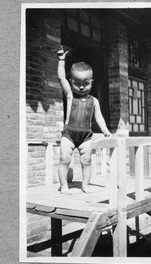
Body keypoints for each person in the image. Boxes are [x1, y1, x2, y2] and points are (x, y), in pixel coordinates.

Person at [57, 46, 111, 194]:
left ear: (92, 82)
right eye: (77, 83)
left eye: (85, 83)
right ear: (71, 81)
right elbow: (61, 78)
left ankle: (85, 185)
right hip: (69, 134)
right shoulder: (70, 96)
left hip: (85, 135)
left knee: (86, 161)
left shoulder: (94, 101)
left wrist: (105, 131)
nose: (81, 87)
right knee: (64, 159)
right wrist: (61, 61)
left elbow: (99, 117)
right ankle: (63, 186)